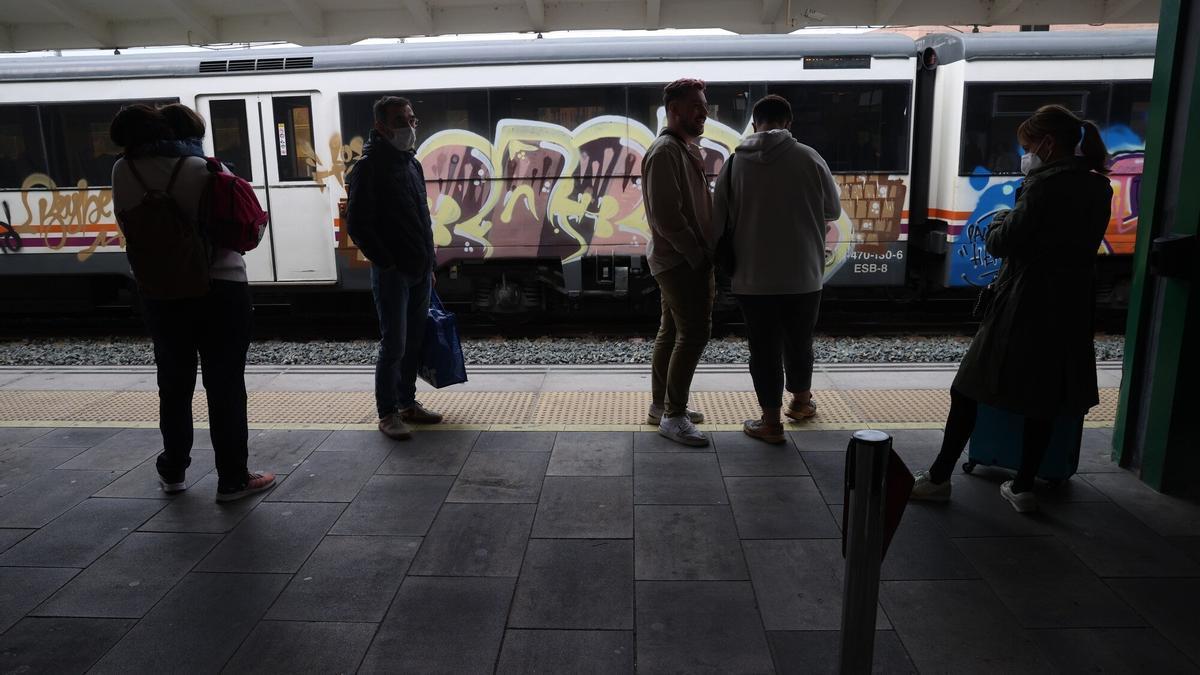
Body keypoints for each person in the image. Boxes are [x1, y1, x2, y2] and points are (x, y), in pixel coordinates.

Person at [910, 104, 1113, 512]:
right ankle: (1023, 487)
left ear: (1047, 143)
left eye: (1027, 145)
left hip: (1025, 304)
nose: (1026, 154)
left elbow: (1003, 243)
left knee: (966, 389)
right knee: (1044, 398)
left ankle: (937, 478)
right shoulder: (1098, 187)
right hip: (1071, 306)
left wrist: (1000, 220)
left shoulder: (1042, 185)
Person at [110, 103, 275, 503]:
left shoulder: (122, 171)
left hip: (160, 293)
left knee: (174, 382)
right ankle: (233, 479)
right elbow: (245, 234)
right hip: (221, 291)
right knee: (225, 387)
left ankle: (173, 469)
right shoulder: (206, 170)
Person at [712, 95, 840, 444]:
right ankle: (800, 403)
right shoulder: (811, 158)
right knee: (799, 341)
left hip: (753, 279)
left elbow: (716, 217)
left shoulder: (735, 163)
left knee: (764, 350)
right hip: (804, 275)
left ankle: (770, 424)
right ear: (789, 123)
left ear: (754, 124)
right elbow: (833, 210)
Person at [346, 95, 443, 440]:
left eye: (412, 119)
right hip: (392, 272)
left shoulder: (410, 163)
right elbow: (356, 223)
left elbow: (421, 217)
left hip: (418, 269)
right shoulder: (369, 167)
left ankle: (407, 402)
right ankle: (387, 413)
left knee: (413, 340)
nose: (410, 126)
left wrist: (429, 262)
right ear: (381, 127)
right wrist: (386, 262)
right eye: (401, 121)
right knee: (394, 344)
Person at [642, 78, 716, 447]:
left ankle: (663, 406)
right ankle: (673, 415)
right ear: (674, 111)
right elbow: (667, 216)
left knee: (671, 332)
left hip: (678, 260)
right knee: (694, 334)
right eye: (696, 107)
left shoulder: (682, 148)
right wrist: (697, 255)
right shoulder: (666, 152)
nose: (704, 113)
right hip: (680, 262)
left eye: (705, 106)